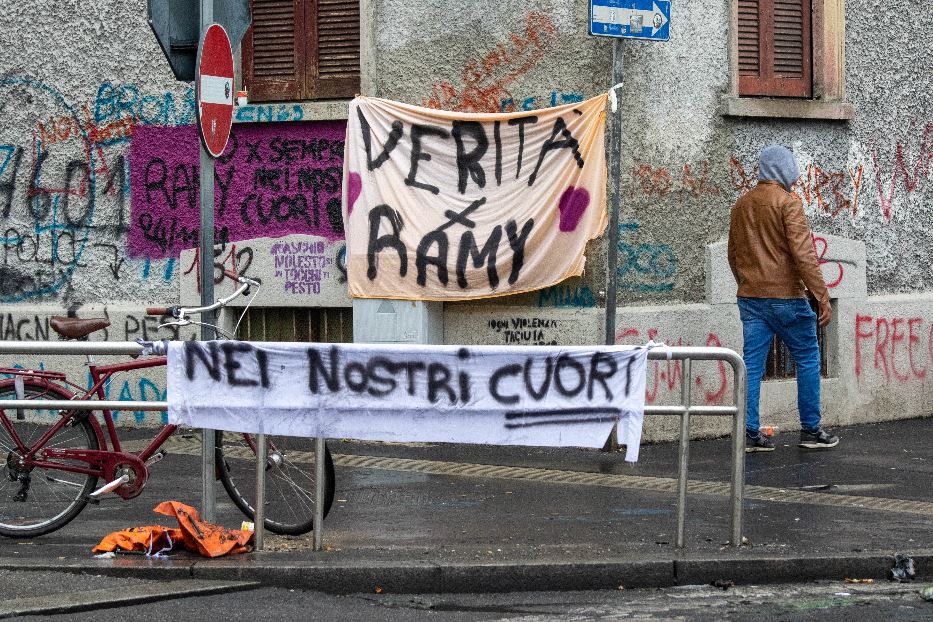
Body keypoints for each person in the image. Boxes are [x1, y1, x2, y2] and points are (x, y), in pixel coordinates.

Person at [728, 145, 840, 452]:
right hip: (786, 297)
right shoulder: (788, 203)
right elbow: (804, 254)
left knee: (750, 365)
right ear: (783, 170)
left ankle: (750, 434)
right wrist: (822, 296)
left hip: (751, 297)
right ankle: (811, 430)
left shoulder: (741, 204)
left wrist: (747, 283)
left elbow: (733, 255)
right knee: (807, 356)